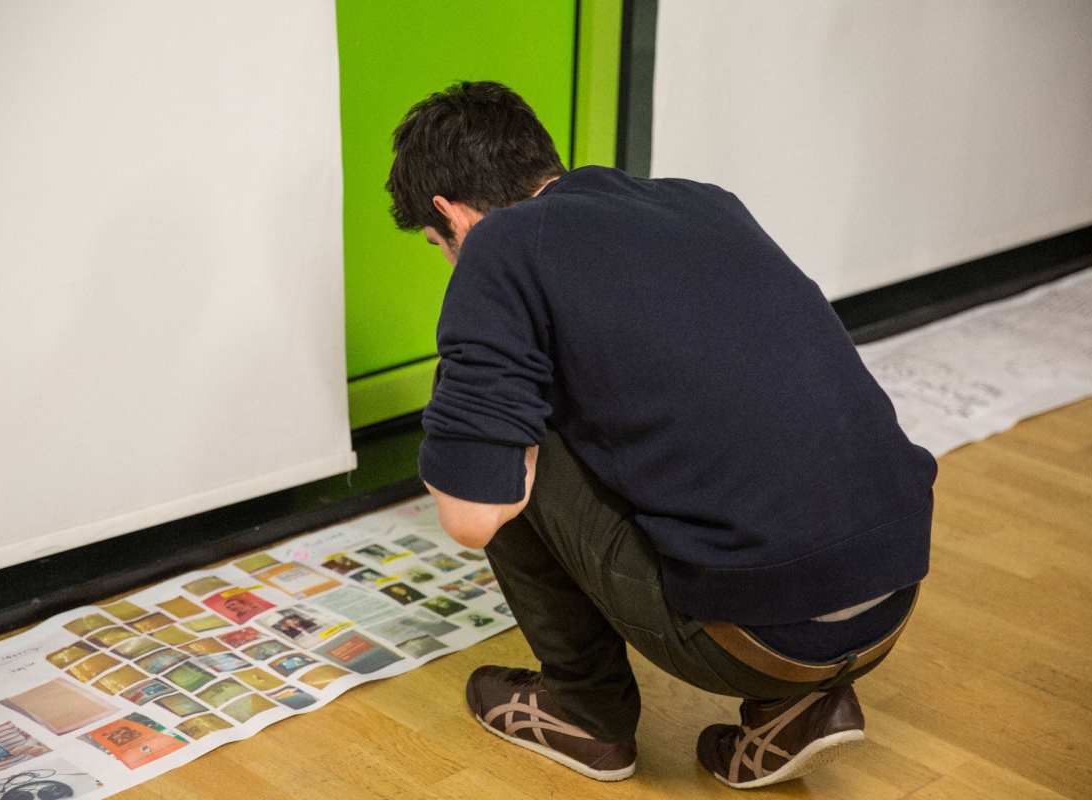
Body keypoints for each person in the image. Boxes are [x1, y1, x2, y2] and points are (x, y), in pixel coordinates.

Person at [385, 81, 937, 789]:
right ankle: (793, 706)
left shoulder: (498, 244)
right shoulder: (700, 201)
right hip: (891, 591)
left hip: (758, 639)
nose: (450, 262)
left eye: (439, 246)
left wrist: (498, 440)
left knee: (486, 433)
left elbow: (470, 518)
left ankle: (586, 713)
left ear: (452, 214)